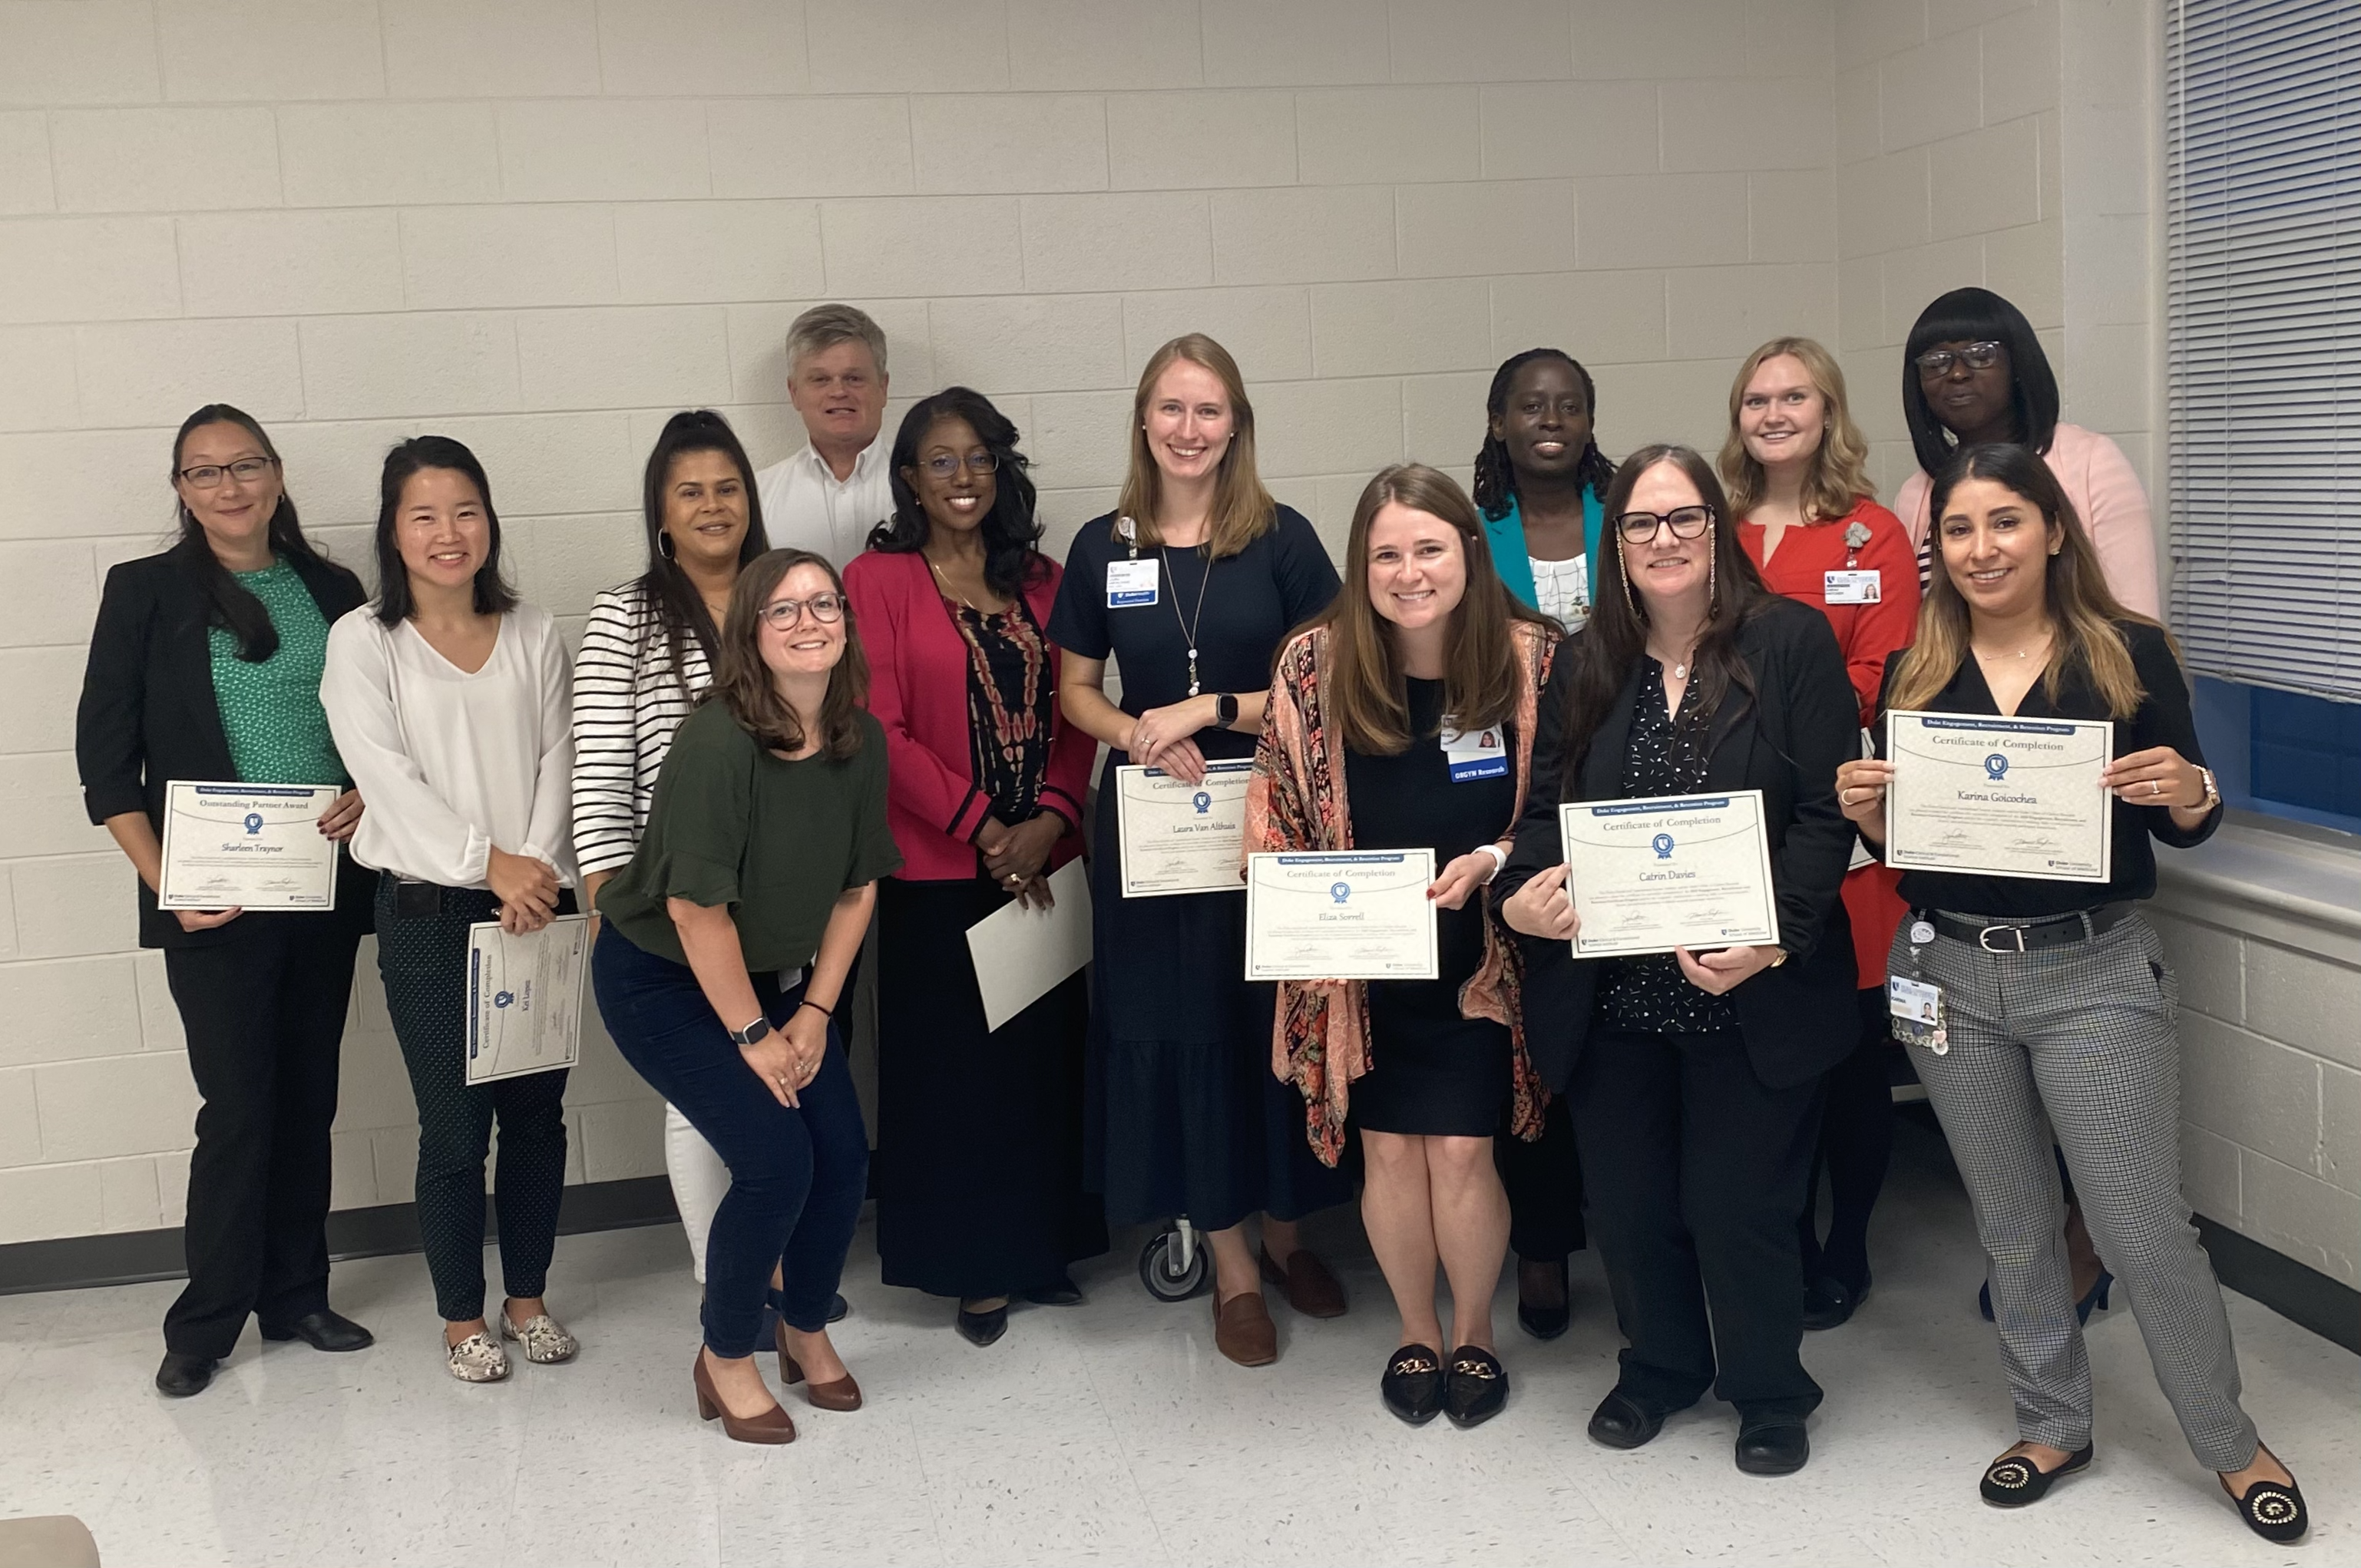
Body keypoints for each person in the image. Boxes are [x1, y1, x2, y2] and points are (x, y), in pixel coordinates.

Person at [1836, 444, 2307, 1542]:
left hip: (2089, 968)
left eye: (2003, 522)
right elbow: (1906, 850)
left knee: (2136, 1228)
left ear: (2052, 529)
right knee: (2006, 1225)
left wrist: (2188, 790)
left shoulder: (2125, 652)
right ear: (1936, 550)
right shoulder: (1911, 668)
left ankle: (2229, 1443)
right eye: (1956, 530)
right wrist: (1866, 815)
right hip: (1948, 968)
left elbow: (2181, 813)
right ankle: (2052, 1420)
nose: (1979, 548)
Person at [1498, 445, 1858, 1477]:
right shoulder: (1581, 660)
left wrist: (1774, 934)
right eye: (1641, 524)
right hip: (1615, 995)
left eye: (1682, 519)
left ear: (1718, 528)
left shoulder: (1789, 643)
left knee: (1739, 1204)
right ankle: (1658, 1366)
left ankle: (1766, 1387)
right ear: (1617, 544)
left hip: (1748, 986)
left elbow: (1827, 810)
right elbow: (1540, 817)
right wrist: (1522, 891)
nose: (1662, 541)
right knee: (1628, 1201)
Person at [1050, 332, 1353, 1368]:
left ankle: (1287, 1234)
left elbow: (1329, 682)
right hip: (1152, 828)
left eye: (1208, 410)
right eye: (1171, 409)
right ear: (1144, 420)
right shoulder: (1104, 546)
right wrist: (1134, 729)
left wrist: (1210, 705)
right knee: (1183, 1032)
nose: (1189, 429)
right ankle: (1231, 1263)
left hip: (1266, 814)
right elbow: (1075, 691)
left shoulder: (1280, 539)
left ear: (1237, 425)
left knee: (1268, 1021)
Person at [1245, 464, 1556, 1428]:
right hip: (1363, 967)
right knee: (1389, 1153)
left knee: (1463, 1151)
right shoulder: (1314, 664)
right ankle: (1414, 1330)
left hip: (1484, 959)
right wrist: (1302, 903)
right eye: (1386, 553)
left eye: (1429, 547)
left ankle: (1475, 1334)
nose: (1409, 571)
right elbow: (1275, 813)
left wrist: (1496, 860)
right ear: (1360, 565)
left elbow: (1561, 804)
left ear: (1467, 550)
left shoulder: (1534, 659)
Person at [76, 405, 377, 1399]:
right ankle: (205, 1321)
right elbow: (105, 766)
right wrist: (169, 882)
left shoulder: (333, 590)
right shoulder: (145, 593)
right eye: (204, 472)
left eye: (245, 465)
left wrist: (368, 788)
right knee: (240, 1108)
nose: (228, 486)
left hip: (322, 886)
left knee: (308, 1099)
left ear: (278, 474)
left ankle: (296, 1295)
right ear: (181, 489)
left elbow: (378, 725)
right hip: (210, 900)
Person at [591, 548, 894, 1445]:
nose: (809, 622)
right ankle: (725, 1353)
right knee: (774, 1158)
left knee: (840, 1149)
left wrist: (813, 1015)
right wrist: (758, 1032)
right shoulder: (719, 738)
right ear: (750, 635)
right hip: (660, 978)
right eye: (784, 610)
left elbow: (857, 889)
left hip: (768, 983)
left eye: (823, 604)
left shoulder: (857, 736)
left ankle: (805, 1327)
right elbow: (693, 907)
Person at [845, 389, 1106, 1346]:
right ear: (910, 476)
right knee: (956, 1082)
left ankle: (1044, 1245)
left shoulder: (1044, 578)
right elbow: (876, 726)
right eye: (941, 461)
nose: (964, 478)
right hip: (938, 874)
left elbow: (1081, 703)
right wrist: (986, 829)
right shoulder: (873, 580)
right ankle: (973, 1263)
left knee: (1042, 1068)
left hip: (1048, 860)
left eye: (981, 458)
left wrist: (1050, 817)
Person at [1893, 287, 2131, 1318]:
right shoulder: (1914, 488)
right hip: (1966, 829)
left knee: (2087, 1087)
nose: (1951, 370)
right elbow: (1930, 648)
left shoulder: (2085, 460)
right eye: (1931, 358)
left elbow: (2127, 639)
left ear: (2017, 357)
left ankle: (2087, 1240)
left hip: (2068, 817)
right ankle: (2032, 1248)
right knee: (1992, 1083)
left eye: (1973, 350)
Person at [322, 436, 580, 1384]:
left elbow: (561, 756)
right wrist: (490, 865)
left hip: (537, 907)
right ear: (394, 529)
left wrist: (536, 874)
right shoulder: (362, 641)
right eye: (424, 514)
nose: (448, 531)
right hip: (430, 916)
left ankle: (529, 1298)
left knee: (538, 1119)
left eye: (465, 510)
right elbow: (385, 781)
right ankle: (461, 1314)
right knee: (455, 1130)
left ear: (490, 521)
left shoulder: (535, 629)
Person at [1720, 337, 1921, 1331]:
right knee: (1766, 1048)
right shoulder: (1710, 529)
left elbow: (1882, 672)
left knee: (1843, 1052)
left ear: (1827, 409)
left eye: (1792, 394)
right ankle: (1784, 1237)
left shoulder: (1868, 535)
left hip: (1839, 821)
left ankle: (1845, 1246)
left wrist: (1760, 723)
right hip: (1728, 826)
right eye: (1755, 397)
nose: (1772, 412)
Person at [572, 410, 773, 1292]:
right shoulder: (628, 613)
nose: (712, 505)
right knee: (702, 1102)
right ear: (662, 511)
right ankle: (720, 1281)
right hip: (674, 899)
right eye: (690, 491)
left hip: (781, 894)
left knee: (781, 1083)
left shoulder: (787, 597)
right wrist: (606, 886)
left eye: (727, 487)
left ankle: (776, 1271)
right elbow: (601, 757)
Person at [1470, 346, 1615, 1339]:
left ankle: (1640, 1234)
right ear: (1497, 421)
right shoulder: (1471, 533)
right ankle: (1542, 1246)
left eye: (1567, 404)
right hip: (1508, 793)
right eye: (1529, 404)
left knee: (1616, 1030)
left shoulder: (1634, 518)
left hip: (1629, 793)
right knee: (1529, 1029)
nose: (1548, 418)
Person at [1891, 286, 2160, 617]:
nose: (1957, 373)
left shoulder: (2091, 463)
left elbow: (2136, 618)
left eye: (1981, 355)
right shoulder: (1916, 493)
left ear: (2017, 366)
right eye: (1936, 362)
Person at [754, 303, 895, 571]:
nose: (839, 392)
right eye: (820, 380)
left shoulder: (922, 485)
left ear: (883, 387)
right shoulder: (759, 496)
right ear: (794, 392)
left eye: (854, 378)